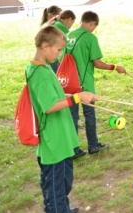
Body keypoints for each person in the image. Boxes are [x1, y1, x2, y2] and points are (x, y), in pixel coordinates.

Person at [29, 26, 97, 213]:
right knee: (54, 187)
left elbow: (55, 94)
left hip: (62, 139)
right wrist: (76, 98)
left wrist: (80, 94)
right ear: (45, 46)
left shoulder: (44, 68)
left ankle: (63, 208)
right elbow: (49, 106)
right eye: (58, 50)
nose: (60, 55)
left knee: (64, 183)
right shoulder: (39, 73)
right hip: (53, 143)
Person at [65, 11, 126, 158]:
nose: (93, 29)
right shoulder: (90, 38)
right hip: (84, 85)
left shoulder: (68, 36)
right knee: (89, 115)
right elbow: (97, 63)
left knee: (72, 117)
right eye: (94, 27)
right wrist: (115, 67)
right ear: (91, 23)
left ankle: (73, 149)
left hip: (68, 84)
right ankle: (93, 145)